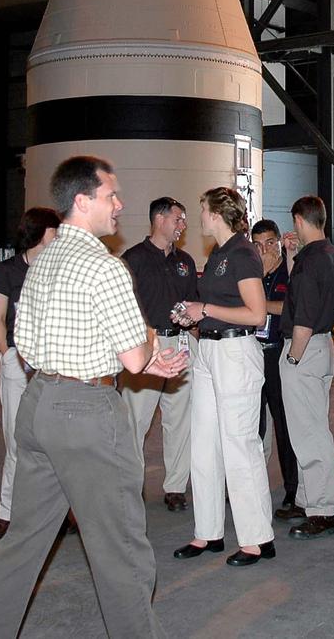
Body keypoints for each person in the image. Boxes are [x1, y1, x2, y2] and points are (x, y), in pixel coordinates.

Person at [0, 156, 186, 639]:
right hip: (87, 415)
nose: (120, 205)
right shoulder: (104, 267)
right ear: (82, 201)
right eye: (112, 196)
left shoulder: (41, 261)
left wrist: (142, 358)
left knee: (23, 541)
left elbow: (25, 340)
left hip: (39, 402)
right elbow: (131, 357)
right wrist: (149, 348)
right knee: (120, 547)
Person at [172, 187, 275, 567]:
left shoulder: (243, 253)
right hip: (209, 351)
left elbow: (256, 314)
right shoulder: (218, 253)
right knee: (203, 445)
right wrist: (195, 316)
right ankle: (208, 532)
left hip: (235, 353)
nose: (198, 217)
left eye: (202, 210)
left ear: (216, 213)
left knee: (239, 446)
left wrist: (206, 308)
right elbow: (217, 308)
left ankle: (257, 539)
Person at [0, 207, 60, 541]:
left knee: (55, 443)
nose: (60, 235)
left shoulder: (61, 269)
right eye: (55, 230)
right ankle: (7, 513)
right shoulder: (10, 270)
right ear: (42, 233)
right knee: (17, 440)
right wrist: (9, 356)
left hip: (56, 363)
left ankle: (57, 515)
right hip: (18, 362)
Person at [121, 197, 197, 513]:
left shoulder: (186, 262)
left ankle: (176, 487)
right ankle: (130, 488)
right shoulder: (133, 259)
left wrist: (192, 324)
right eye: (178, 219)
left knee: (180, 421)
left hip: (180, 346)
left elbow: (193, 302)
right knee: (135, 422)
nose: (183, 226)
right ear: (159, 218)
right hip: (145, 349)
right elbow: (123, 307)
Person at [278, 195, 334, 538]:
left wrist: (292, 358)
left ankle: (322, 510)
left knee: (309, 434)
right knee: (313, 426)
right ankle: (308, 500)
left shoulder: (311, 261)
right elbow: (304, 293)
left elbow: (302, 312)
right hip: (322, 346)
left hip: (304, 348)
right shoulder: (331, 255)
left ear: (300, 221)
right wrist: (291, 256)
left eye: (295, 224)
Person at [251, 219, 300, 518]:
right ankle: (252, 487)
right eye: (257, 244)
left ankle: (293, 491)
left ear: (280, 241)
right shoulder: (251, 271)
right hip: (253, 355)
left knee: (285, 426)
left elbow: (290, 307)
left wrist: (259, 304)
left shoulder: (289, 270)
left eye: (269, 242)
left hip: (279, 354)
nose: (264, 249)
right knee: (252, 427)